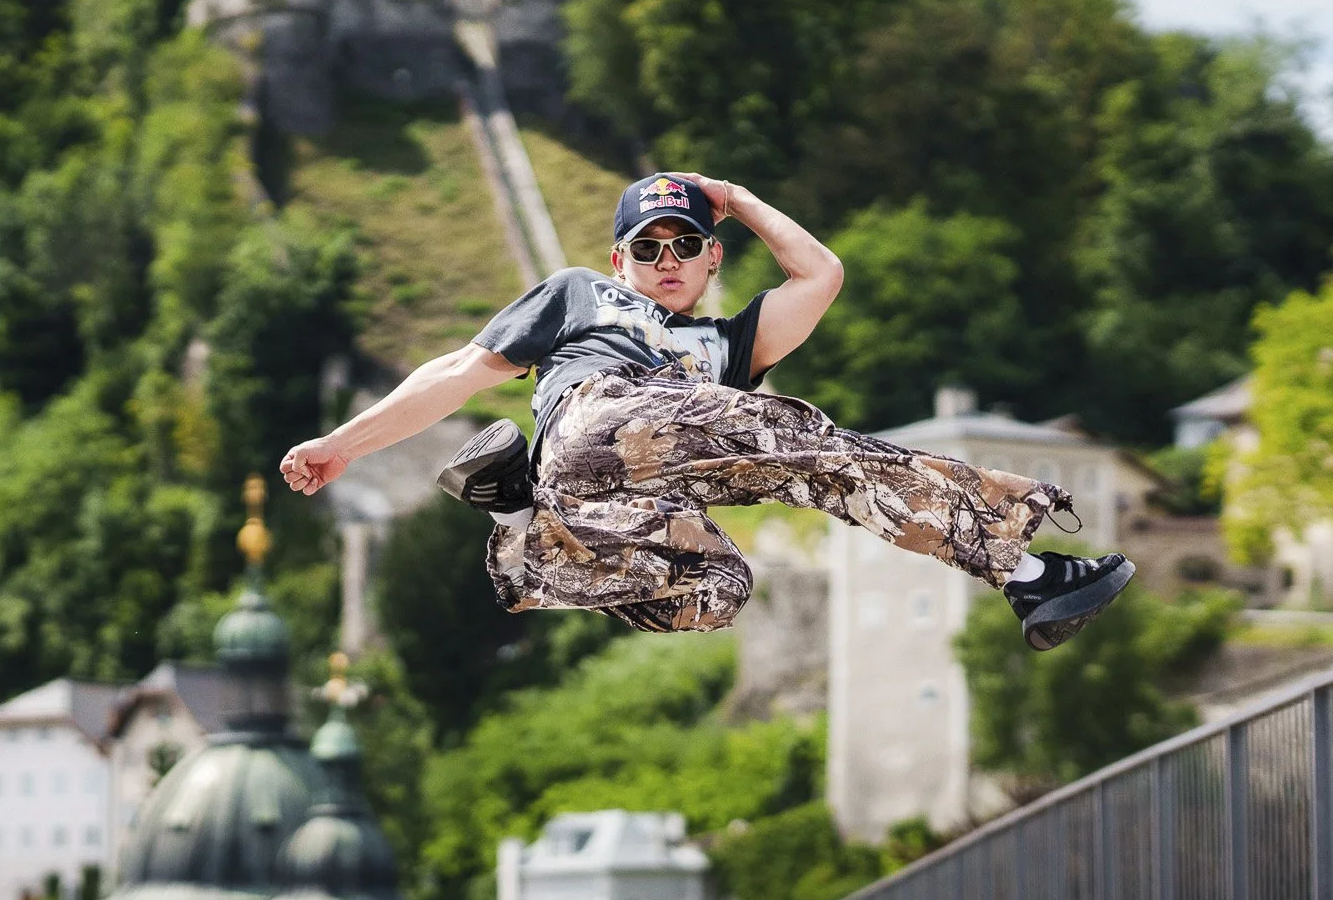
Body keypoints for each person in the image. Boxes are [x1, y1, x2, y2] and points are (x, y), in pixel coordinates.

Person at [279, 172, 1133, 649]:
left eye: (685, 244)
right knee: (794, 429)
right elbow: (460, 370)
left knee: (728, 579)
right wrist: (343, 442)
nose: (668, 260)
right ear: (621, 259)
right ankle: (531, 508)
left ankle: (522, 530)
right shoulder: (582, 297)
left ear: (711, 254)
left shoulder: (729, 344)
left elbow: (820, 277)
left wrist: (736, 195)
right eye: (648, 249)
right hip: (597, 412)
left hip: (621, 495)